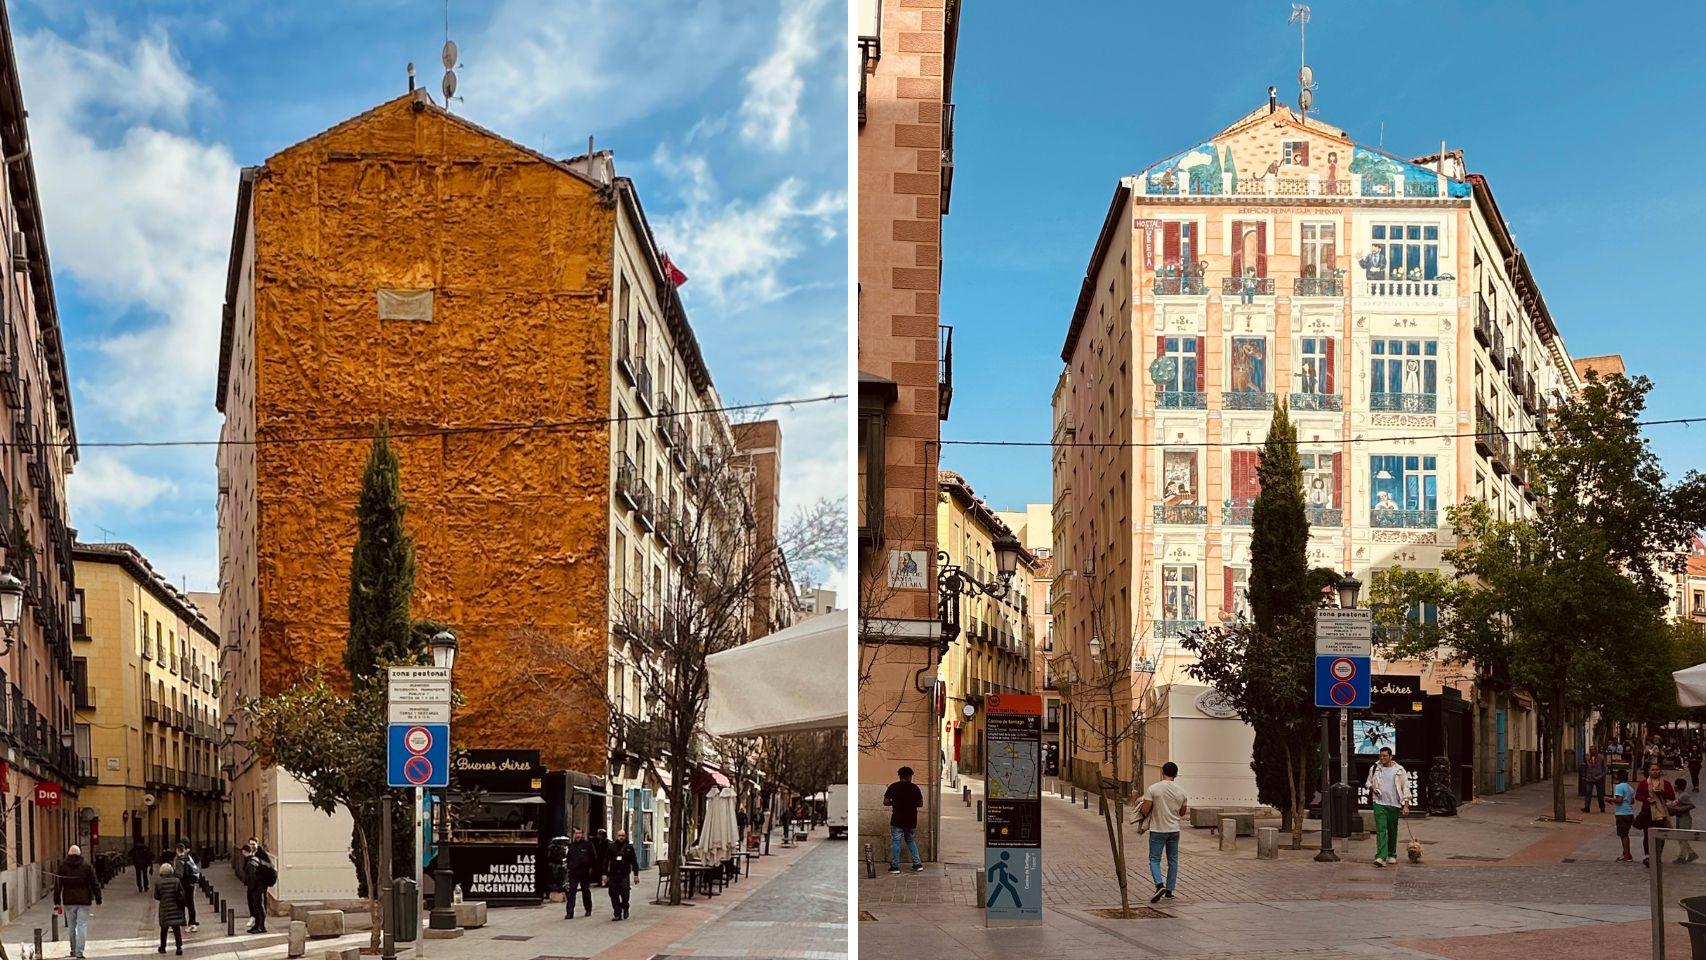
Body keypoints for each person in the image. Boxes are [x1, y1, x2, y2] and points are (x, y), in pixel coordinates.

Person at [1138, 761, 1188, 903]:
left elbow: (1145, 810)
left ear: (1162, 772)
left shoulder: (1153, 789)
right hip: (1174, 830)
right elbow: (1182, 812)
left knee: (1154, 859)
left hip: (1158, 829)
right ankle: (1169, 891)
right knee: (1173, 860)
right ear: (1176, 774)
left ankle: (1159, 885)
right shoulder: (1182, 791)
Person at [54, 844, 101, 960]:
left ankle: (73, 950)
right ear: (80, 854)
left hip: (69, 901)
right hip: (84, 901)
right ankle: (79, 953)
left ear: (69, 854)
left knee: (71, 926)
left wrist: (57, 901)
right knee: (82, 926)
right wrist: (98, 898)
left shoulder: (63, 867)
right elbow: (95, 883)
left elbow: (58, 885)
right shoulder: (86, 866)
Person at [1365, 747, 1411, 866]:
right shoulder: (1375, 768)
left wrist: (1405, 805)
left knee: (1392, 830)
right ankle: (1380, 856)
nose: (1382, 758)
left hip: (1394, 804)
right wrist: (1372, 788)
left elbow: (1405, 787)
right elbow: (1368, 782)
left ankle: (1391, 854)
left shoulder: (1399, 770)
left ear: (1391, 757)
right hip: (1379, 803)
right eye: (1380, 756)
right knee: (1381, 830)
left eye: (1385, 756)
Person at [883, 766, 924, 874]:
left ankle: (895, 866)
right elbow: (920, 804)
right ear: (910, 776)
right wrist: (910, 803)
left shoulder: (893, 787)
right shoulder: (915, 788)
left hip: (897, 819)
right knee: (910, 840)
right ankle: (917, 864)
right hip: (911, 820)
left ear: (900, 776)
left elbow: (886, 802)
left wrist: (895, 803)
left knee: (896, 842)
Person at [1636, 762, 1678, 867]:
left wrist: (1661, 792)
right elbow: (1637, 796)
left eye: (1657, 769)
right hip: (1647, 813)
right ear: (1649, 772)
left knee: (1660, 835)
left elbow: (1672, 797)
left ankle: (1657, 855)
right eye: (1653, 770)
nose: (1655, 772)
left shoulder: (1665, 783)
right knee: (1647, 835)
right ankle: (1648, 856)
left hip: (1661, 813)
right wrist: (1647, 799)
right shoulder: (1643, 783)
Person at [603, 829, 639, 921]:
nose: (621, 837)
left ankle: (625, 907)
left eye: (623, 835)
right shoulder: (612, 847)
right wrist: (604, 874)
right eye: (619, 835)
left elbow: (634, 861)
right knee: (613, 894)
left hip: (624, 875)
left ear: (625, 836)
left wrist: (636, 874)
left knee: (625, 894)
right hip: (613, 875)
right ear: (616, 836)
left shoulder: (629, 847)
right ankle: (617, 913)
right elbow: (606, 861)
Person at [154, 862, 188, 955]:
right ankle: (179, 948)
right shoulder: (176, 881)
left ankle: (163, 947)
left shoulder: (158, 882)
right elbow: (182, 893)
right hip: (175, 907)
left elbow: (156, 896)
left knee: (164, 929)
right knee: (176, 929)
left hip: (165, 908)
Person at [242, 841, 276, 933]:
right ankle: (257, 926)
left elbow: (253, 877)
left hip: (257, 887)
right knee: (257, 906)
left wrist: (252, 888)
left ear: (245, 852)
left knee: (259, 906)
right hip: (259, 886)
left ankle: (261, 926)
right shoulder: (254, 859)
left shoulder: (251, 862)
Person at [563, 828, 597, 919]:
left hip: (584, 872)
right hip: (574, 872)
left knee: (585, 891)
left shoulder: (588, 845)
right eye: (576, 833)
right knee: (572, 892)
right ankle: (569, 912)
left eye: (579, 833)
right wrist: (569, 867)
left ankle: (588, 909)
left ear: (582, 834)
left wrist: (591, 868)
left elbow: (593, 858)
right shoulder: (571, 846)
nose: (578, 835)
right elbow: (568, 857)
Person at [172, 841, 200, 932]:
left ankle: (187, 922)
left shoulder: (179, 860)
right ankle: (192, 923)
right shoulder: (188, 858)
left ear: (177, 850)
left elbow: (179, 875)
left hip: (183, 885)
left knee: (181, 903)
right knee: (190, 903)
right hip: (191, 884)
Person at [1613, 769, 1637, 862]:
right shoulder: (1630, 788)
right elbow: (1632, 801)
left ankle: (1627, 854)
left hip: (1621, 813)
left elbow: (1619, 800)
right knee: (1625, 834)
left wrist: (1609, 799)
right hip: (1629, 812)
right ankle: (1627, 853)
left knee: (1623, 835)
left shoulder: (1619, 786)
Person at [1674, 778, 1699, 864]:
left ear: (1677, 786)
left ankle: (1682, 857)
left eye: (1675, 785)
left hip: (1684, 818)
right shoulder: (1680, 795)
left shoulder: (1684, 796)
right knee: (1681, 837)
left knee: (1682, 838)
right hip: (1680, 818)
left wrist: (1679, 809)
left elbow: (1691, 805)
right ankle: (1691, 854)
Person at [1582, 749, 1607, 813]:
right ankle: (1587, 807)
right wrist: (1584, 776)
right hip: (1589, 778)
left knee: (1600, 794)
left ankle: (1602, 807)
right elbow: (1585, 767)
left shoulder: (1601, 757)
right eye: (1591, 750)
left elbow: (1605, 769)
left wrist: (1601, 776)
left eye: (1593, 750)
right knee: (1588, 792)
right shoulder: (1587, 758)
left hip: (1599, 778)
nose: (1592, 752)